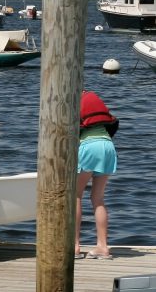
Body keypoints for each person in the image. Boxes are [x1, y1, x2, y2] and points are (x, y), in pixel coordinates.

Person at [75, 90, 118, 260]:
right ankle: (103, 247)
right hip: (108, 146)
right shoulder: (92, 97)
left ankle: (74, 246)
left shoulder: (73, 100)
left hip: (89, 146)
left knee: (75, 196)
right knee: (98, 198)